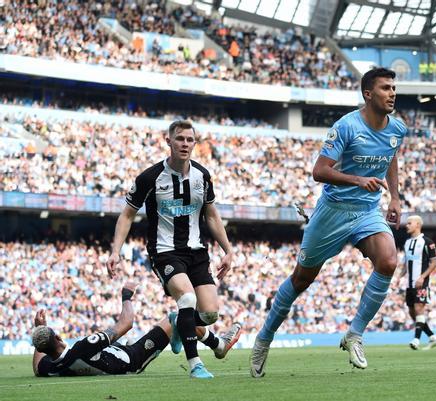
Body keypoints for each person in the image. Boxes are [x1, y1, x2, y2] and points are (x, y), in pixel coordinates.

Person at [250, 67, 407, 377]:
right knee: (301, 280)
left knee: (388, 261)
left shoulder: (397, 129)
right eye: (385, 88)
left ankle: (354, 334)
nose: (392, 93)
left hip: (367, 213)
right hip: (332, 212)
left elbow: (392, 156)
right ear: (368, 94)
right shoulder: (345, 127)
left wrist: (396, 197)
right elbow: (319, 171)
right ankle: (264, 337)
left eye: (393, 87)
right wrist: (357, 180)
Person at [106, 120, 235, 378]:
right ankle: (195, 364)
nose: (185, 144)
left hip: (197, 251)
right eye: (180, 139)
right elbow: (128, 215)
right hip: (164, 251)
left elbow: (211, 214)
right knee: (186, 298)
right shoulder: (149, 178)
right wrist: (115, 251)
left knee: (208, 314)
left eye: (189, 139)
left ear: (195, 143)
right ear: (168, 141)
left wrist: (228, 249)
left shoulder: (203, 176)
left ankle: (179, 322)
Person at [31, 281, 242, 377]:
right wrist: (126, 297)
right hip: (133, 358)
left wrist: (39, 333)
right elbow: (126, 323)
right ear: (58, 337)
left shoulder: (49, 368)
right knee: (179, 317)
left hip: (120, 353)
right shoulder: (82, 347)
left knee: (177, 319)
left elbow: (37, 364)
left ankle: (184, 334)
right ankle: (218, 345)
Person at [396, 215, 436, 350]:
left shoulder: (427, 242)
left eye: (410, 223)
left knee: (419, 308)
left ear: (417, 225)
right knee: (412, 312)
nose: (407, 225)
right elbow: (406, 263)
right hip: (409, 284)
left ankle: (416, 339)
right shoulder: (407, 243)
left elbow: (434, 262)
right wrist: (399, 276)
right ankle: (433, 337)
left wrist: (422, 277)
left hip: (422, 282)